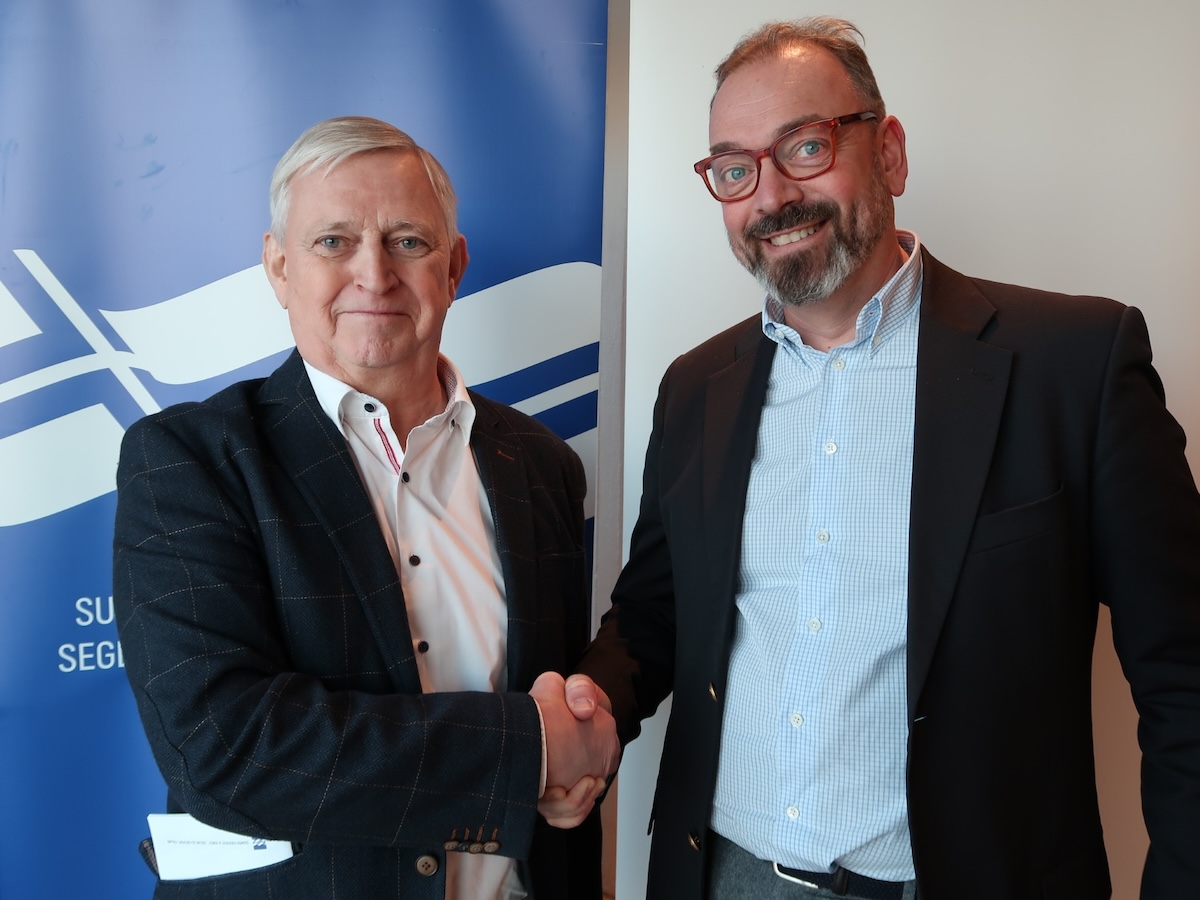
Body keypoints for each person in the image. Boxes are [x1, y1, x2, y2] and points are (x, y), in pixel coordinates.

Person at [564, 17, 1200, 900]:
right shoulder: (695, 387)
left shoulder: (1075, 366)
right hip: (724, 874)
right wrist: (591, 708)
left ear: (889, 153)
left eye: (806, 146)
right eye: (735, 169)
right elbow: (655, 614)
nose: (771, 195)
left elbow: (1183, 671)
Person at [113, 116, 616, 900]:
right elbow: (222, 747)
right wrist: (529, 752)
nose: (374, 275)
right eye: (334, 242)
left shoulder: (540, 464)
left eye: (408, 242)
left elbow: (557, 703)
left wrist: (571, 764)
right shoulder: (190, 461)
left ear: (454, 267)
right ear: (279, 268)